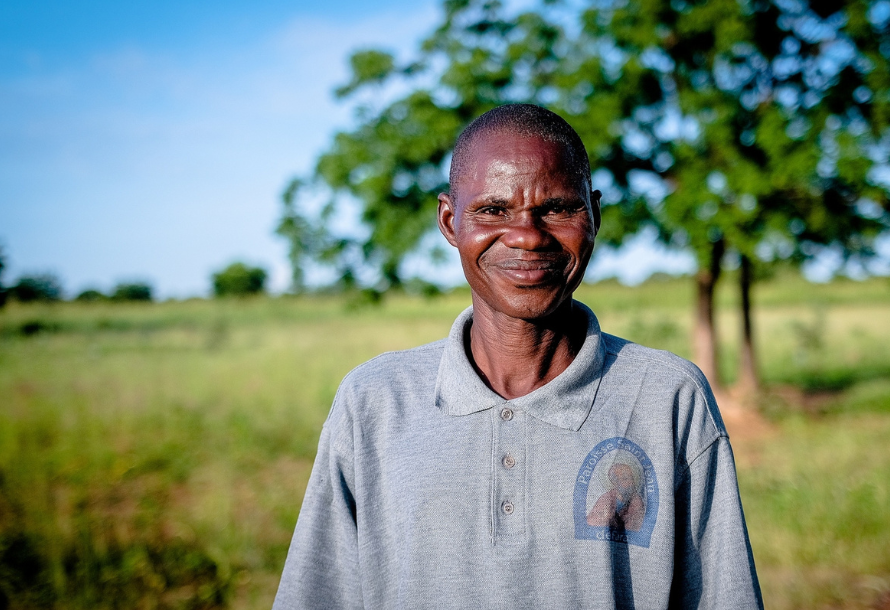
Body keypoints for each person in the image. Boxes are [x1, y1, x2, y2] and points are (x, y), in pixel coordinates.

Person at [273, 104, 764, 609]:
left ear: (594, 214)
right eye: (492, 210)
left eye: (557, 208)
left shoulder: (667, 396)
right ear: (449, 221)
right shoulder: (374, 401)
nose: (528, 235)